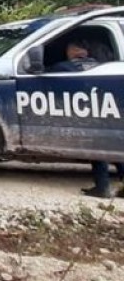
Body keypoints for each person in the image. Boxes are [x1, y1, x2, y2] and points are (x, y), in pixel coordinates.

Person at [50, 41, 120, 198]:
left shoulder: (64, 67)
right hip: (109, 110)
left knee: (98, 149)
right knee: (115, 149)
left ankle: (102, 188)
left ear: (72, 52)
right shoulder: (100, 65)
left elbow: (45, 75)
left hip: (87, 112)